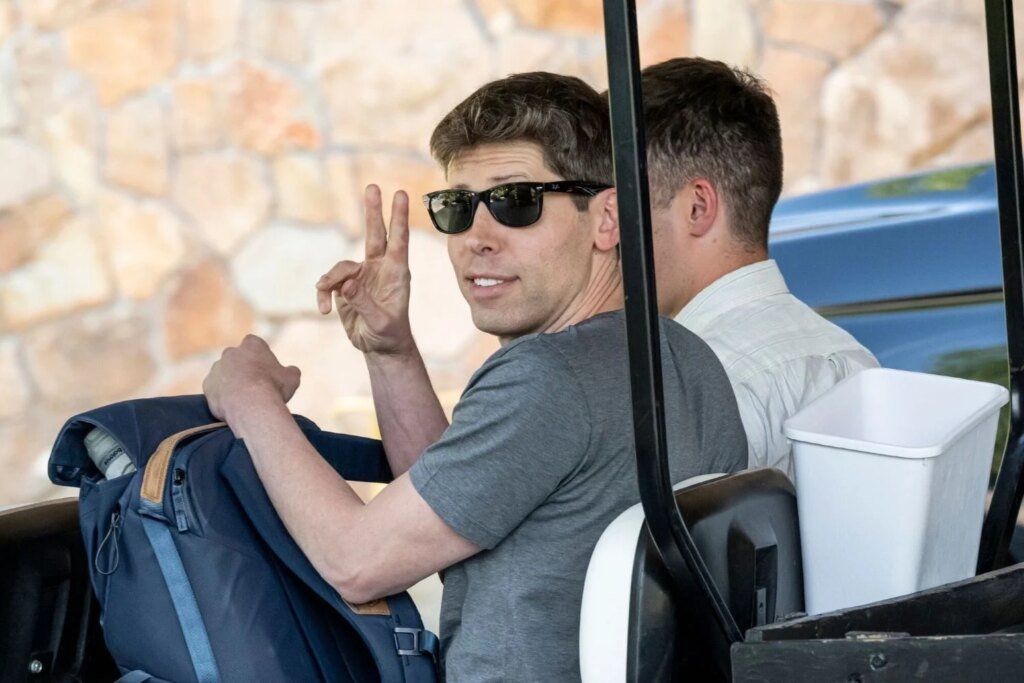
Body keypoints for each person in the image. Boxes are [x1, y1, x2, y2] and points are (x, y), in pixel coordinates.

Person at [202, 72, 747, 681]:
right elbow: (450, 513)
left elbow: (357, 561)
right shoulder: (687, 356)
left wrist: (252, 400)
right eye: (457, 208)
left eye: (517, 202)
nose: (476, 241)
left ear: (606, 219)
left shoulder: (546, 378)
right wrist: (390, 351)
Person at [640, 57, 879, 480]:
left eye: (618, 206)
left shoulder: (695, 390)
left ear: (697, 207)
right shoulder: (853, 358)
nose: (603, 234)